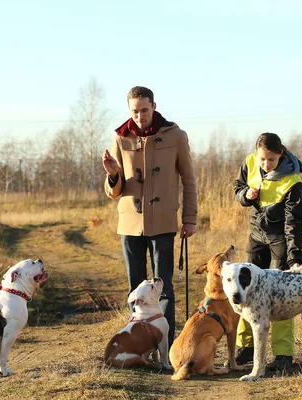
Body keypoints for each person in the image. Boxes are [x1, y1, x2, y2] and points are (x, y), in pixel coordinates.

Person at [102, 86, 197, 349]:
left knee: (163, 287)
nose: (140, 116)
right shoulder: (121, 138)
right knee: (135, 287)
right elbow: (114, 191)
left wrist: (190, 219)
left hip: (163, 221)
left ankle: (167, 346)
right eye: (135, 111)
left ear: (154, 106)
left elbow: (189, 181)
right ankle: (139, 343)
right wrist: (112, 175)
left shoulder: (176, 135)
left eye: (144, 110)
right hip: (130, 223)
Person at [233, 132, 302, 371]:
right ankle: (245, 347)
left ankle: (283, 354)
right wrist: (246, 195)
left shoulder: (292, 181)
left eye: (271, 160)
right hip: (256, 237)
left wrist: (294, 257)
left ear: (281, 154)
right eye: (262, 159)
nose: (265, 164)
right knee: (245, 289)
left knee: (281, 295)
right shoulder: (249, 162)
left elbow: (295, 223)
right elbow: (237, 188)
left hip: (280, 241)